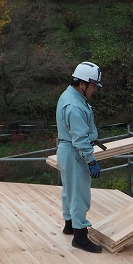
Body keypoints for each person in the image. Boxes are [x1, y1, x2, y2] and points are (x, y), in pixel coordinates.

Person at [56, 61, 104, 253]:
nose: (95, 90)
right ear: (82, 83)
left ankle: (69, 224)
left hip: (66, 150)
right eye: (93, 86)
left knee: (69, 190)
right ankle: (80, 237)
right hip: (75, 152)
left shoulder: (68, 95)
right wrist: (91, 160)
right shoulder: (75, 105)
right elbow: (80, 139)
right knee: (79, 195)